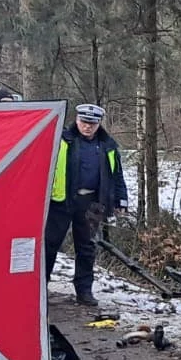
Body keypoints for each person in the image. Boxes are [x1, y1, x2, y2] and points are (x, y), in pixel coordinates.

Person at [44, 103, 129, 306]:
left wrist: (121, 200)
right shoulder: (62, 139)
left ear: (99, 123)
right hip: (61, 201)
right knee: (49, 245)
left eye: (92, 123)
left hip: (92, 203)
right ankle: (40, 287)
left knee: (87, 247)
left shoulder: (108, 146)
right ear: (76, 120)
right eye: (84, 121)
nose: (87, 126)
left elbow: (117, 175)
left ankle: (84, 291)